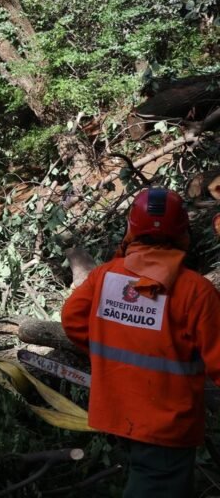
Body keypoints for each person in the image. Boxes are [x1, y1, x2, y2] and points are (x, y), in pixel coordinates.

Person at [62, 187, 220, 496]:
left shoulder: (104, 277)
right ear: (182, 231)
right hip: (166, 423)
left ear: (131, 228)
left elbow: (72, 320)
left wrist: (113, 351)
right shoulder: (195, 291)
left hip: (117, 411)